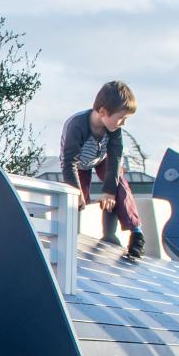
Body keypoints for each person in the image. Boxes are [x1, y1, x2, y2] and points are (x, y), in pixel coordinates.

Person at [60, 79, 144, 258]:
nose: (123, 123)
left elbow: (115, 158)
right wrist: (77, 191)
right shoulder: (78, 126)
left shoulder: (114, 130)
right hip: (77, 165)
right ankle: (71, 236)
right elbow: (69, 162)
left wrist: (110, 191)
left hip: (101, 159)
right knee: (77, 198)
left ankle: (136, 233)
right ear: (103, 112)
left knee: (119, 184)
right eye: (121, 118)